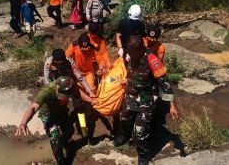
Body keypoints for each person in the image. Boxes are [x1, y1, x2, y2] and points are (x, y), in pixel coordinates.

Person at [113, 36, 180, 165]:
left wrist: (172, 105)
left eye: (132, 52)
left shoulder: (153, 60)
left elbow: (165, 84)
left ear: (139, 50)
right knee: (124, 118)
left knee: (139, 132)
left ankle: (143, 155)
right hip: (132, 93)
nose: (130, 55)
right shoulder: (129, 54)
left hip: (147, 97)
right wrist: (127, 81)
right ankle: (125, 136)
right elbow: (130, 72)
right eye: (128, 52)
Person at [15, 76, 97, 165]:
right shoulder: (46, 91)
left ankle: (66, 145)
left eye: (66, 96)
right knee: (55, 136)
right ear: (57, 88)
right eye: (62, 96)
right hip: (48, 114)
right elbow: (33, 107)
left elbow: (78, 93)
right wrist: (24, 123)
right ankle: (61, 161)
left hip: (61, 111)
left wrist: (90, 100)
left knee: (69, 130)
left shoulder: (71, 85)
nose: (64, 98)